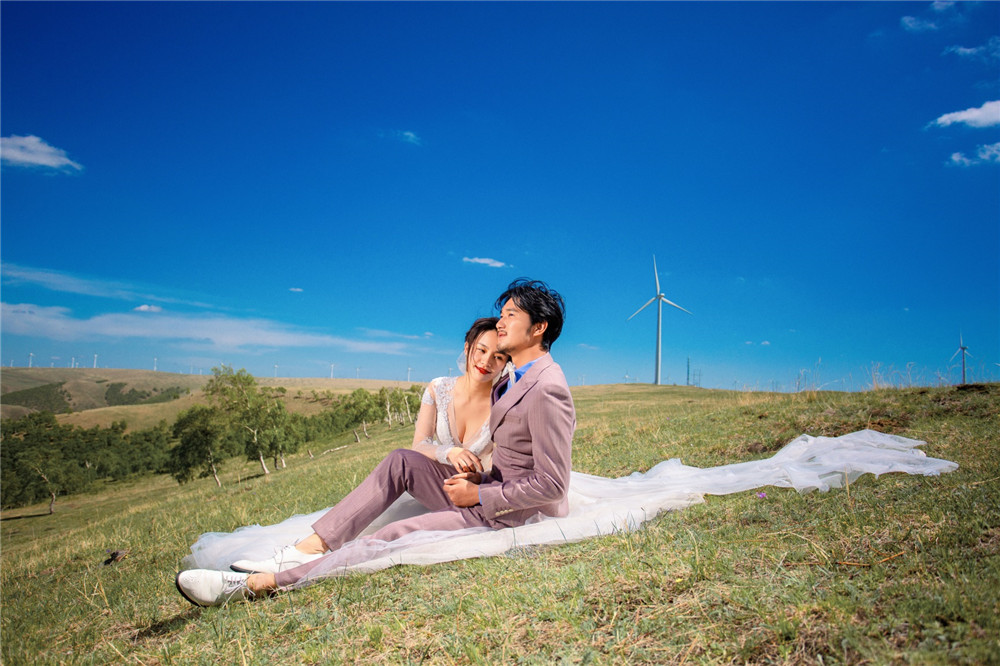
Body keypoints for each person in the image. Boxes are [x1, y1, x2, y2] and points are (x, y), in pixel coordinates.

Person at [175, 278, 575, 607]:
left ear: (537, 328)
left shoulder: (547, 388)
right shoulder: (511, 379)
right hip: (486, 487)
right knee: (402, 459)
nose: (500, 324)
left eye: (510, 316)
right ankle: (310, 546)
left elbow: (553, 484)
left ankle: (258, 585)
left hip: (505, 512)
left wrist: (480, 496)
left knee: (388, 536)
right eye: (501, 316)